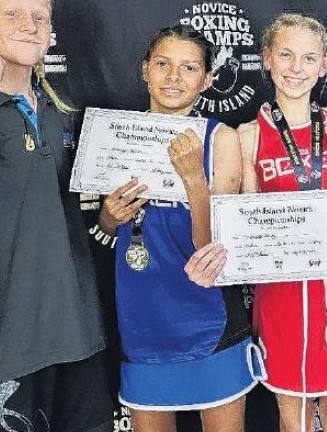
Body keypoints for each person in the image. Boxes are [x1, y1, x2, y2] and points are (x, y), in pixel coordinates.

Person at [0, 0, 112, 431]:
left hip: (74, 327)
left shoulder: (61, 107)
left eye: (39, 16)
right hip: (2, 339)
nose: (29, 25)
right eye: (11, 14)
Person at [96, 25, 256, 431]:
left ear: (205, 80)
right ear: (144, 70)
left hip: (208, 314)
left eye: (189, 68)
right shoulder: (117, 135)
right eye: (163, 65)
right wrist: (110, 217)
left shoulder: (221, 139)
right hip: (143, 315)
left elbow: (213, 250)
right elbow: (105, 227)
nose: (173, 77)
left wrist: (193, 181)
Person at [232, 12, 327, 432]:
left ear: (324, 65)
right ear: (267, 60)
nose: (297, 68)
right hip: (281, 288)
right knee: (291, 416)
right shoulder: (248, 136)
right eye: (286, 55)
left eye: (309, 58)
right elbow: (247, 229)